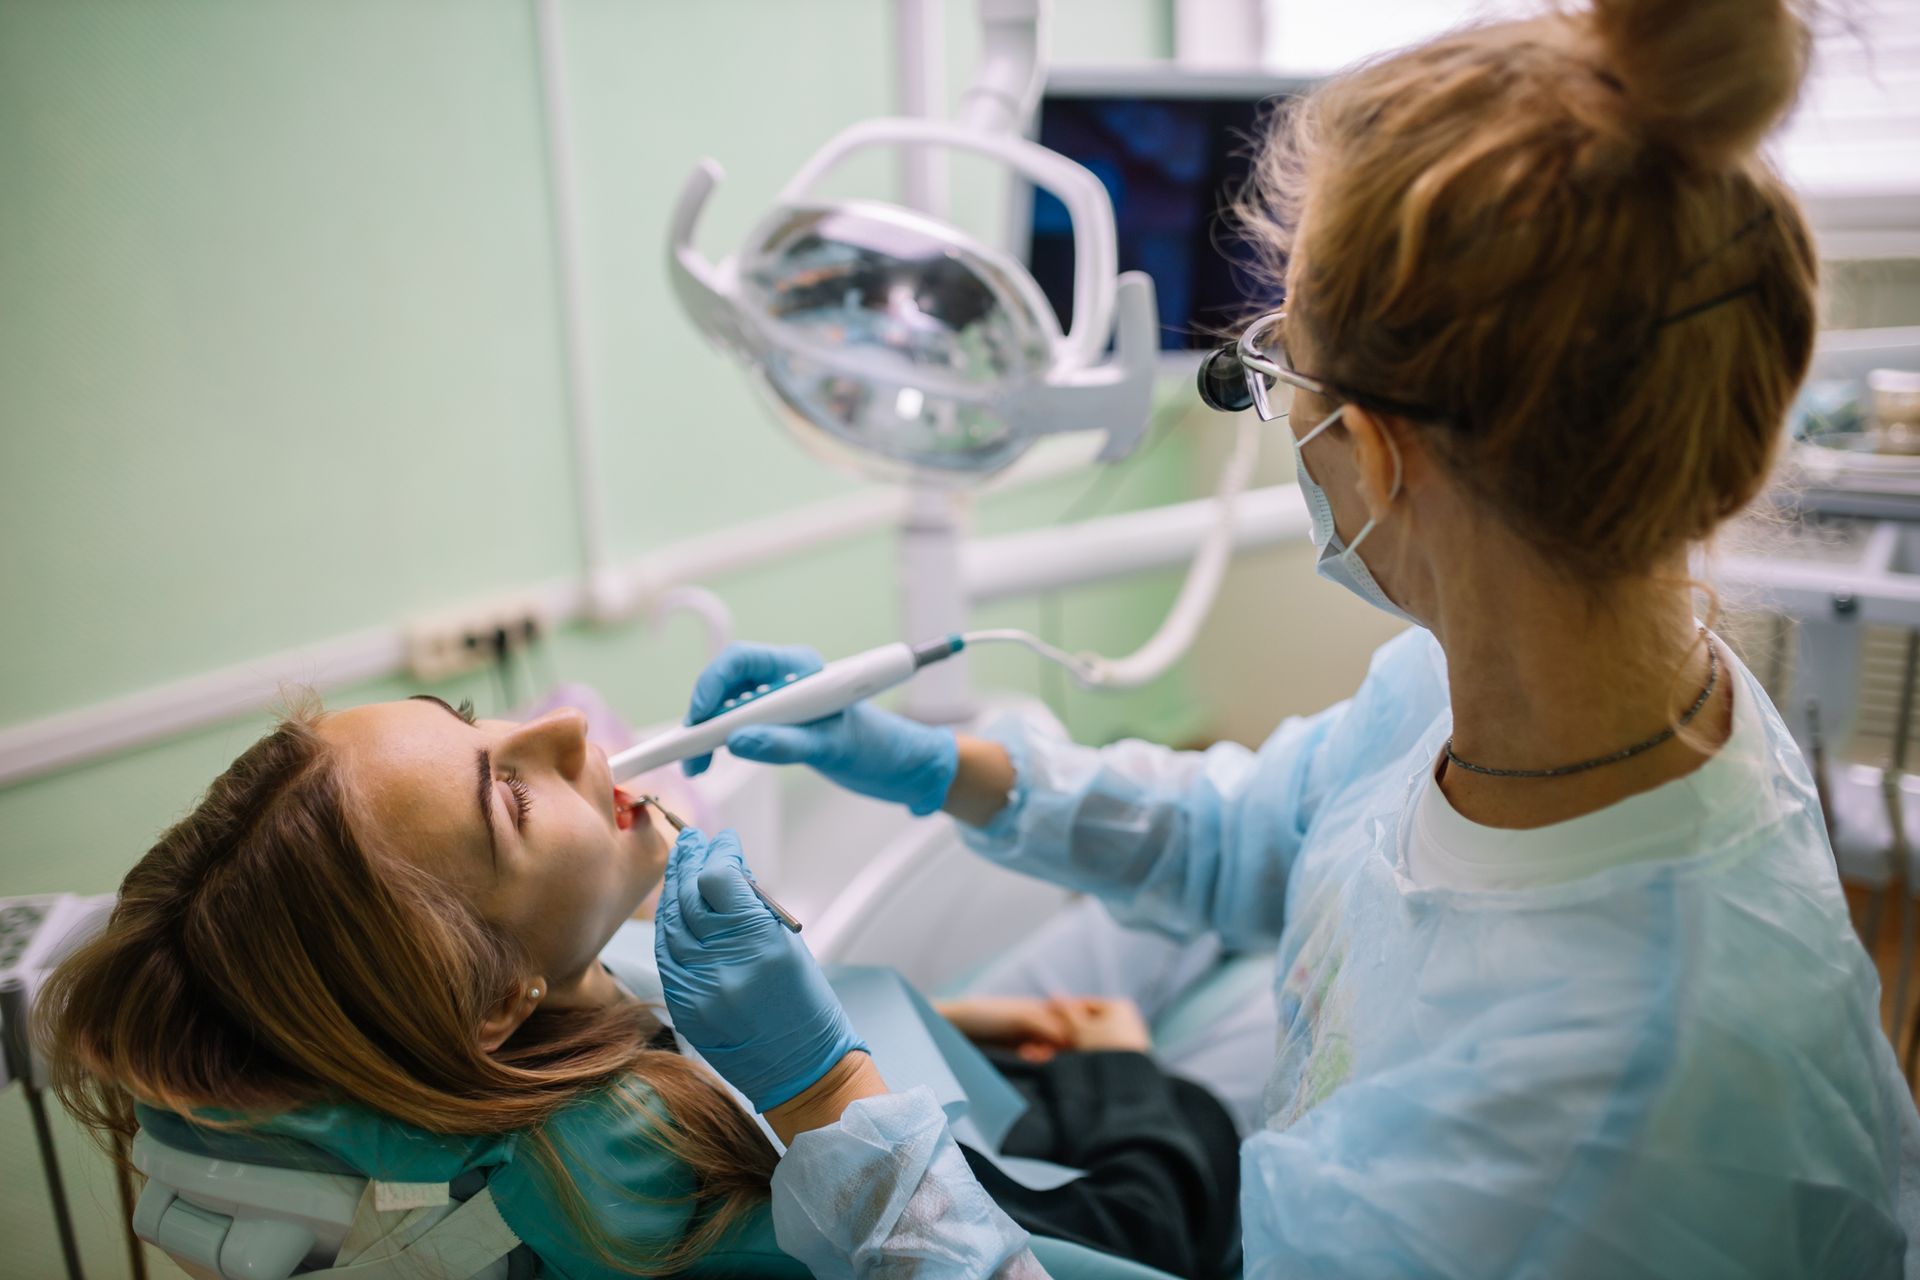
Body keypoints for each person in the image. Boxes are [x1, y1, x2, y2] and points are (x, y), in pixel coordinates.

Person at [651, 0, 1920, 1274]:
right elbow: (1259, 827)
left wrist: (829, 1104)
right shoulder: (1514, 690)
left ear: (1372, 449)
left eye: (1275, 368)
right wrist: (940, 766)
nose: (1274, 408)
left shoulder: (1580, 1126)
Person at [35, 693, 1244, 1278]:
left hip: (966, 1076)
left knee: (1115, 958)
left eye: (472, 720)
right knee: (1157, 1013)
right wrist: (829, 1083)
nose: (565, 725)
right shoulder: (655, 1184)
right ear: (495, 996)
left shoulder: (438, 1072)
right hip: (1097, 1202)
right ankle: (1122, 1058)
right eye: (507, 796)